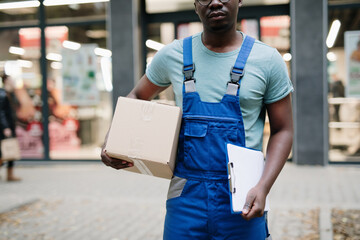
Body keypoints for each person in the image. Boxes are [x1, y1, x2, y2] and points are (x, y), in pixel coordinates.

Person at [101, 0, 293, 239]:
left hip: (245, 197)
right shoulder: (173, 54)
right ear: (194, 4)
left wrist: (263, 186)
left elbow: (283, 130)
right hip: (185, 201)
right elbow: (137, 96)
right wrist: (115, 137)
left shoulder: (267, 60)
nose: (215, 2)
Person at [0, 73, 21, 181]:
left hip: (10, 125)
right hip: (5, 126)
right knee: (4, 149)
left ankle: (10, 174)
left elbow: (17, 106)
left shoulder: (10, 93)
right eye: (11, 80)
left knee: (10, 149)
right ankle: (8, 174)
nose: (13, 82)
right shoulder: (2, 94)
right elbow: (1, 112)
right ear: (6, 81)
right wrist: (5, 127)